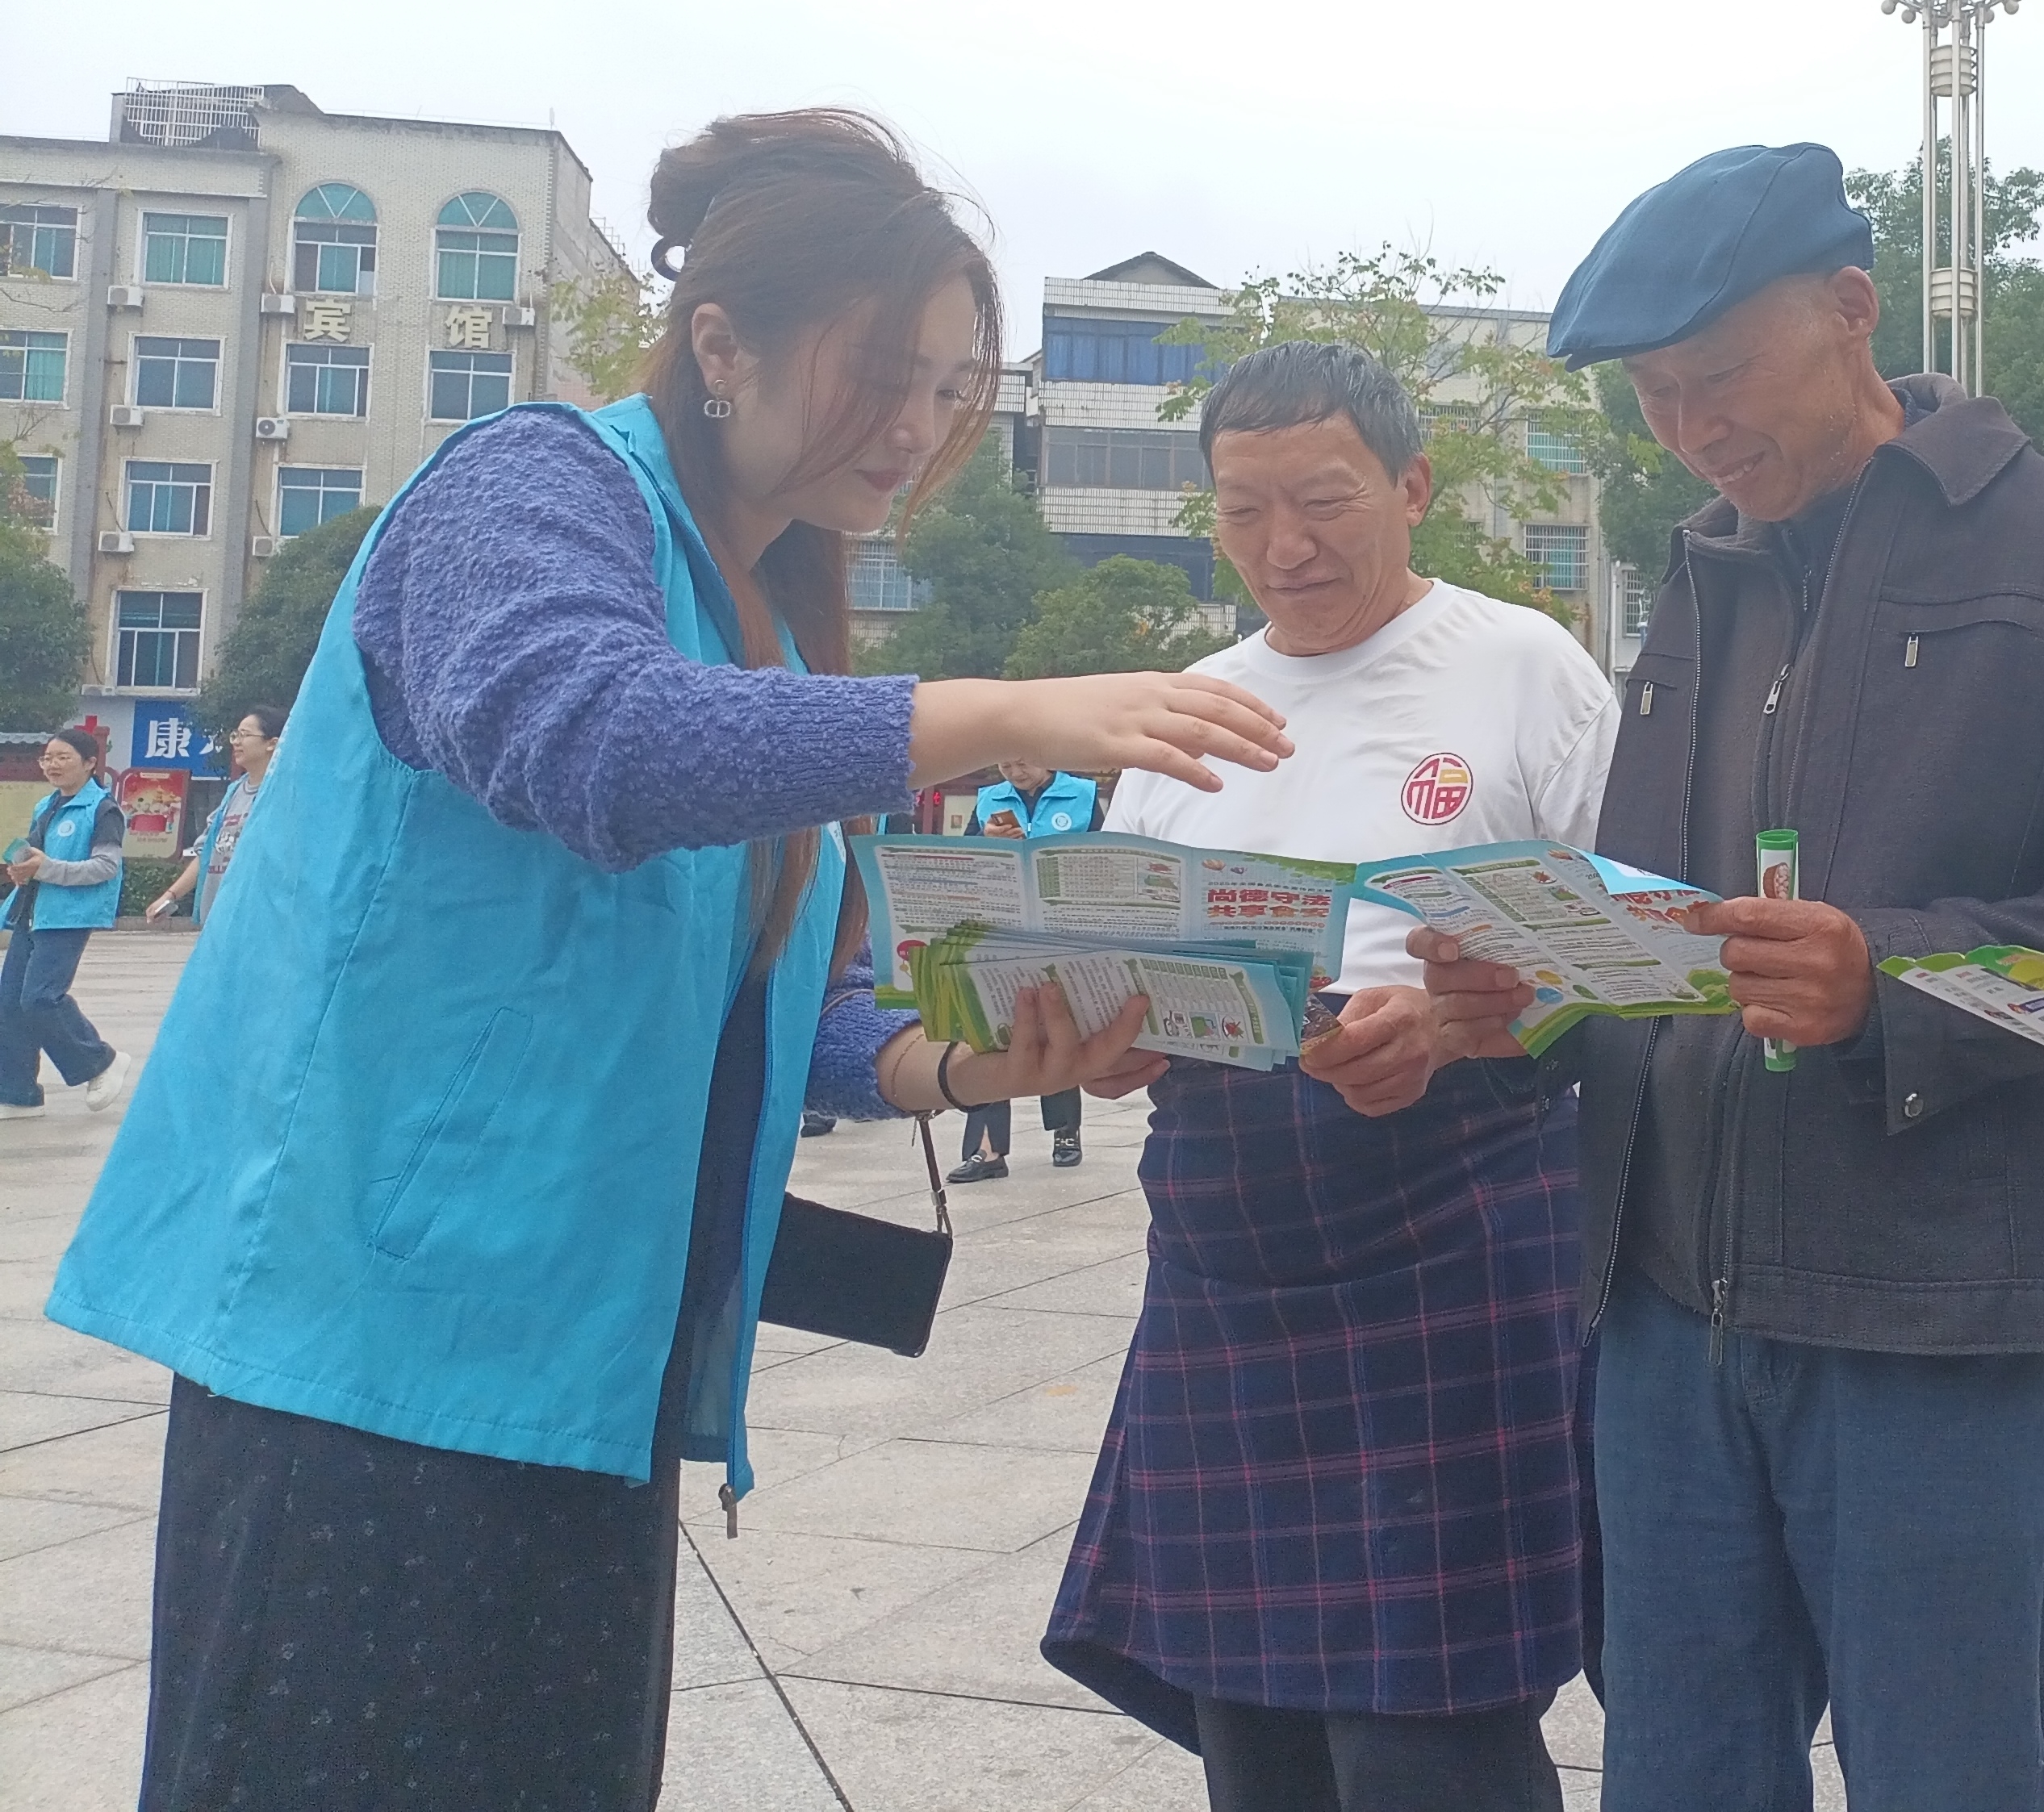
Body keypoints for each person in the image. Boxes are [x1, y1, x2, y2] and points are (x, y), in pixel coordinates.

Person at [47, 110, 1292, 1812]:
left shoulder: (761, 616)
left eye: (952, 389)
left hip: (586, 1357)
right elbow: (596, 740)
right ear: (721, 345)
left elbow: (789, 1008)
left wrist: (966, 1061)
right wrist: (996, 711)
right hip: (369, 1350)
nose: (919, 428)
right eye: (885, 374)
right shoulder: (530, 485)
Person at [1423, 148, 2044, 1812]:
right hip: (1665, 1310)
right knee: (1677, 1777)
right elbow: (1660, 927)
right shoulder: (1698, 583)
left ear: (1853, 309)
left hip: (1932, 1311)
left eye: (1717, 374)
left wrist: (1893, 983)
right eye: (1653, 396)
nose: (1690, 428)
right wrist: (1534, 992)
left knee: (1945, 1775)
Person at [1038, 339, 1613, 1812]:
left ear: (1412, 487)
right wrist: (1109, 1038)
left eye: (1323, 502)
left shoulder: (1523, 669)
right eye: (1243, 511)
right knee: (1251, 1721)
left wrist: (1462, 1021)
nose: (1282, 547)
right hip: (1227, 1236)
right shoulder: (1183, 708)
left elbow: (1627, 960)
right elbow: (1124, 964)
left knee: (1432, 1718)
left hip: (1455, 1218)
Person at [949, 755, 1109, 1177]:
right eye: (1005, 766)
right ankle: (986, 1148)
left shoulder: (1083, 794)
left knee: (1059, 1024)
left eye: (1023, 763)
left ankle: (1065, 1131)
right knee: (989, 1030)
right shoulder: (989, 799)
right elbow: (964, 861)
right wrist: (988, 841)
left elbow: (1107, 858)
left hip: (1062, 926)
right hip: (1001, 924)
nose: (1015, 773)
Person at [0, 724, 135, 1116]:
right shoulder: (47, 806)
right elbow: (35, 858)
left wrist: (46, 868)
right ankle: (18, 1093)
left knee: (41, 998)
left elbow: (105, 867)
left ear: (90, 763)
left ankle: (101, 1061)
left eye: (63, 757)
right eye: (47, 758)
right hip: (32, 914)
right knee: (9, 1003)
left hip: (68, 917)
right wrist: (21, 869)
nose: (52, 765)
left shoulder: (103, 810)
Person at [144, 706, 282, 926]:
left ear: (272, 743)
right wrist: (170, 896)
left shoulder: (282, 796)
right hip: (216, 917)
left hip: (257, 920)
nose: (236, 742)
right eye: (235, 735)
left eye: (245, 735)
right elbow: (207, 852)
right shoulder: (233, 793)